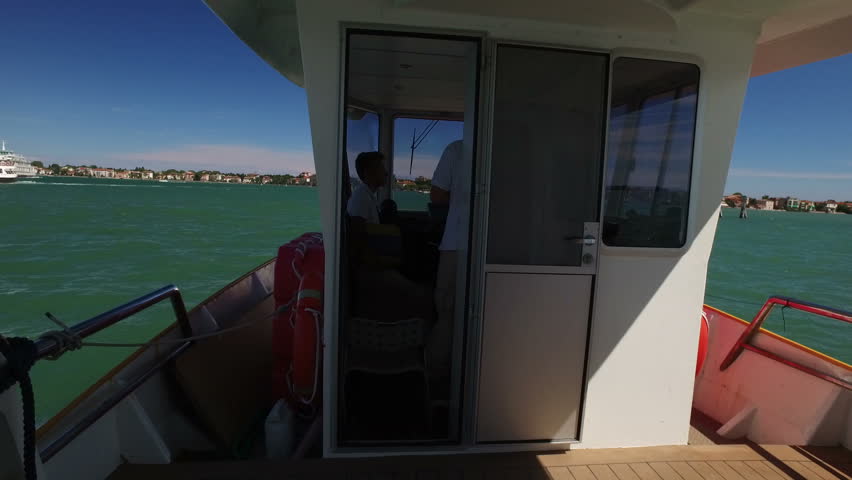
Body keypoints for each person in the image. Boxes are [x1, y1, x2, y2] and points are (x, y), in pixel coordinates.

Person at [427, 140, 465, 390]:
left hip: (456, 243)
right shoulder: (515, 147)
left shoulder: (457, 149)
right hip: (499, 247)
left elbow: (437, 196)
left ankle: (439, 383)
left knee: (447, 314)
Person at [347, 151, 386, 225]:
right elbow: (357, 233)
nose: (386, 172)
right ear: (368, 172)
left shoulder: (367, 195)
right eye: (381, 168)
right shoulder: (361, 197)